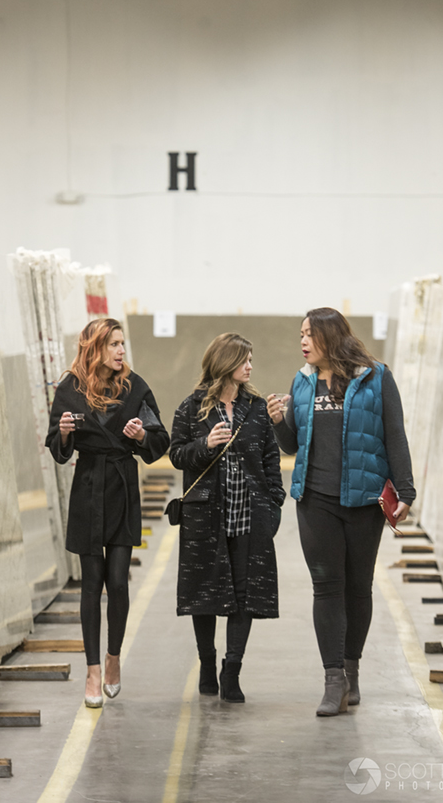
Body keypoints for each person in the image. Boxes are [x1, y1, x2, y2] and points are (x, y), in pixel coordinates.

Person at [268, 307, 415, 717]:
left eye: (309, 334)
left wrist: (405, 489)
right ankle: (333, 680)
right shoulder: (302, 381)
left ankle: (352, 669)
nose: (303, 342)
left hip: (365, 500)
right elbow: (293, 445)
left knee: (358, 588)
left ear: (330, 336)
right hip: (316, 499)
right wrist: (279, 421)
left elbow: (394, 433)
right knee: (326, 586)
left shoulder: (375, 377)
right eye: (300, 334)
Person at [45, 317, 169, 708]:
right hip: (86, 489)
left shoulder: (135, 387)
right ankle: (92, 670)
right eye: (113, 344)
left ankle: (114, 657)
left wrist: (140, 436)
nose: (120, 351)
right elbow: (56, 444)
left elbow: (159, 439)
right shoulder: (70, 389)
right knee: (90, 582)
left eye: (121, 344)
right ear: (94, 347)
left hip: (121, 487)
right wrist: (64, 433)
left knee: (117, 581)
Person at [170, 332, 286, 703]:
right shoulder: (192, 409)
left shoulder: (254, 407)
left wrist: (274, 502)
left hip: (250, 516)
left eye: (250, 359)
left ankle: (231, 670)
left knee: (245, 594)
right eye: (243, 359)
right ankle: (207, 663)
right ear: (224, 362)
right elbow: (176, 455)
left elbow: (271, 458)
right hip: (207, 517)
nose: (250, 366)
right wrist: (205, 446)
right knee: (205, 591)